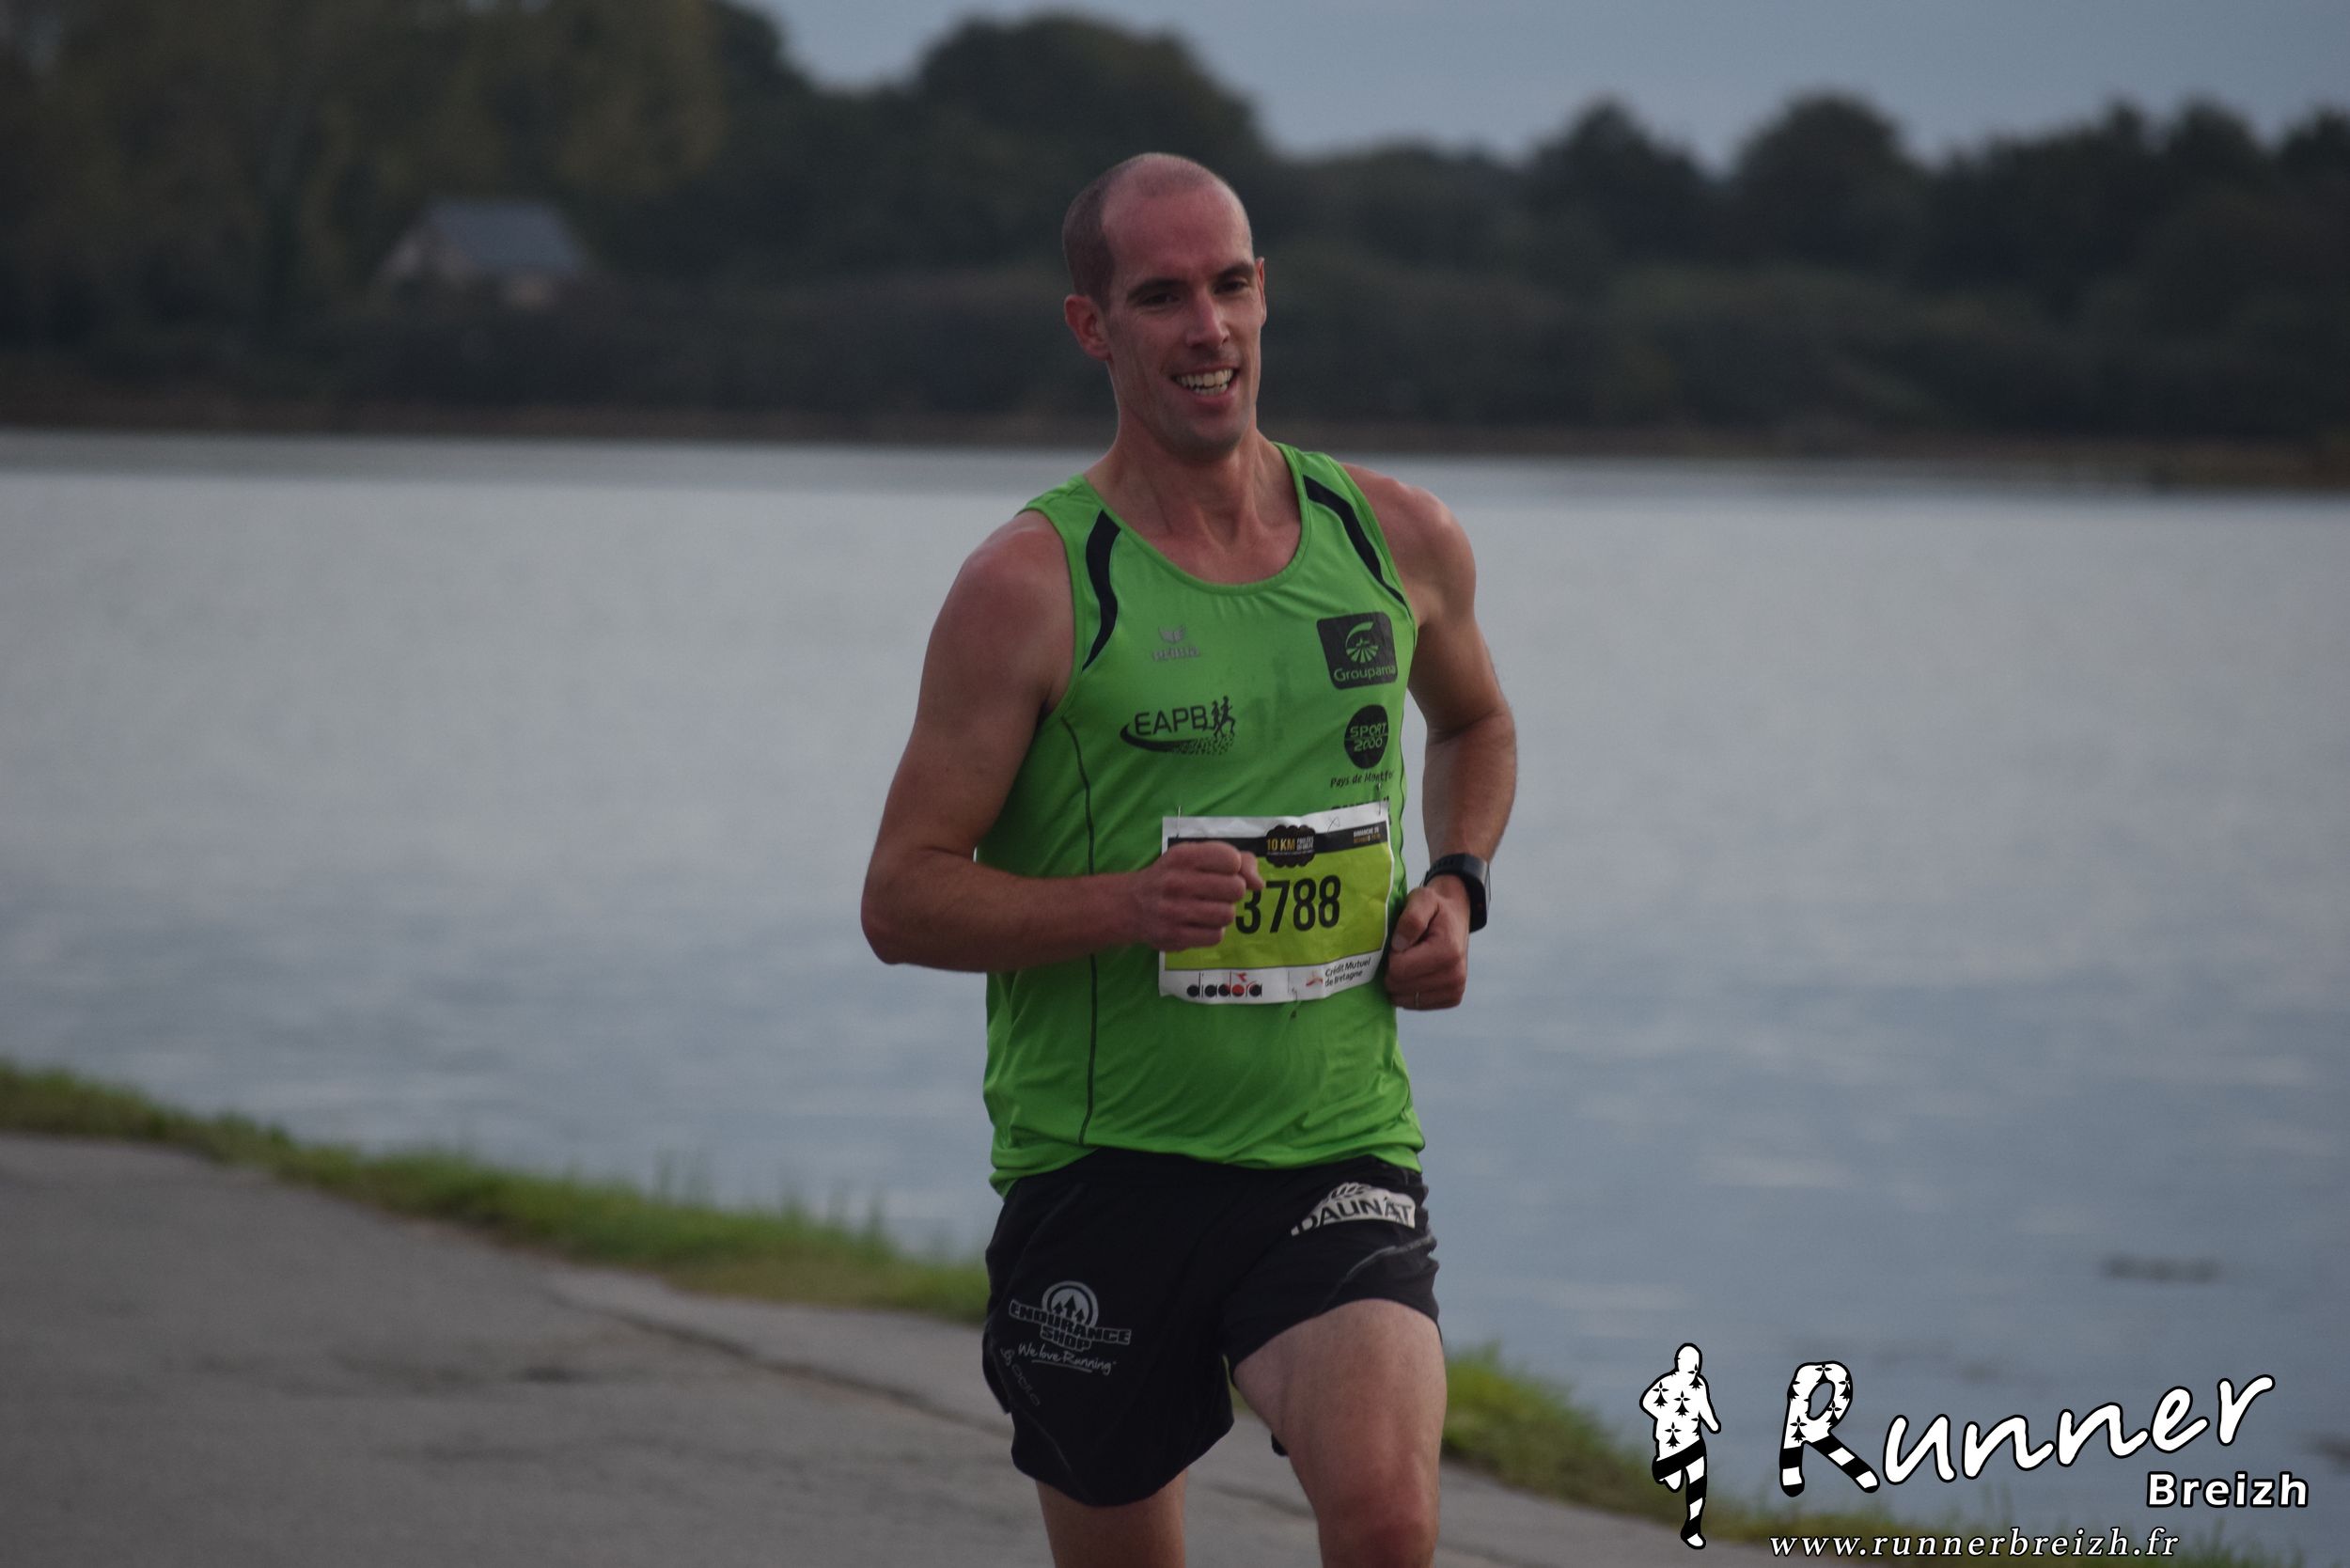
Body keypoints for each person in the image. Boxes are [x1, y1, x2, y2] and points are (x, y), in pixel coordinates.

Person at [861, 151, 1516, 1568]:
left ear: (1265, 293)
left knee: (1389, 1523)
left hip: (1335, 1151)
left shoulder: (1394, 537)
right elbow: (902, 898)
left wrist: (1456, 884)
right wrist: (1125, 906)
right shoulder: (1030, 584)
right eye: (1161, 297)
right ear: (1092, 327)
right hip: (1103, 1174)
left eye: (1229, 286)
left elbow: (1474, 721)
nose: (1206, 328)